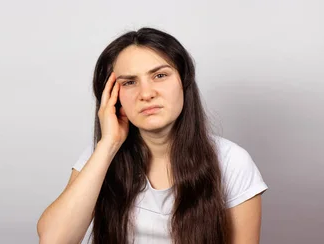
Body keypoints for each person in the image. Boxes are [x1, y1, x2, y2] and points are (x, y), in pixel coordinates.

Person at [36, 27, 268, 244]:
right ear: (113, 98)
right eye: (129, 82)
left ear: (184, 82)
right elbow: (54, 240)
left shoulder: (231, 161)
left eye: (159, 76)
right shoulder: (99, 157)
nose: (146, 94)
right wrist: (108, 145)